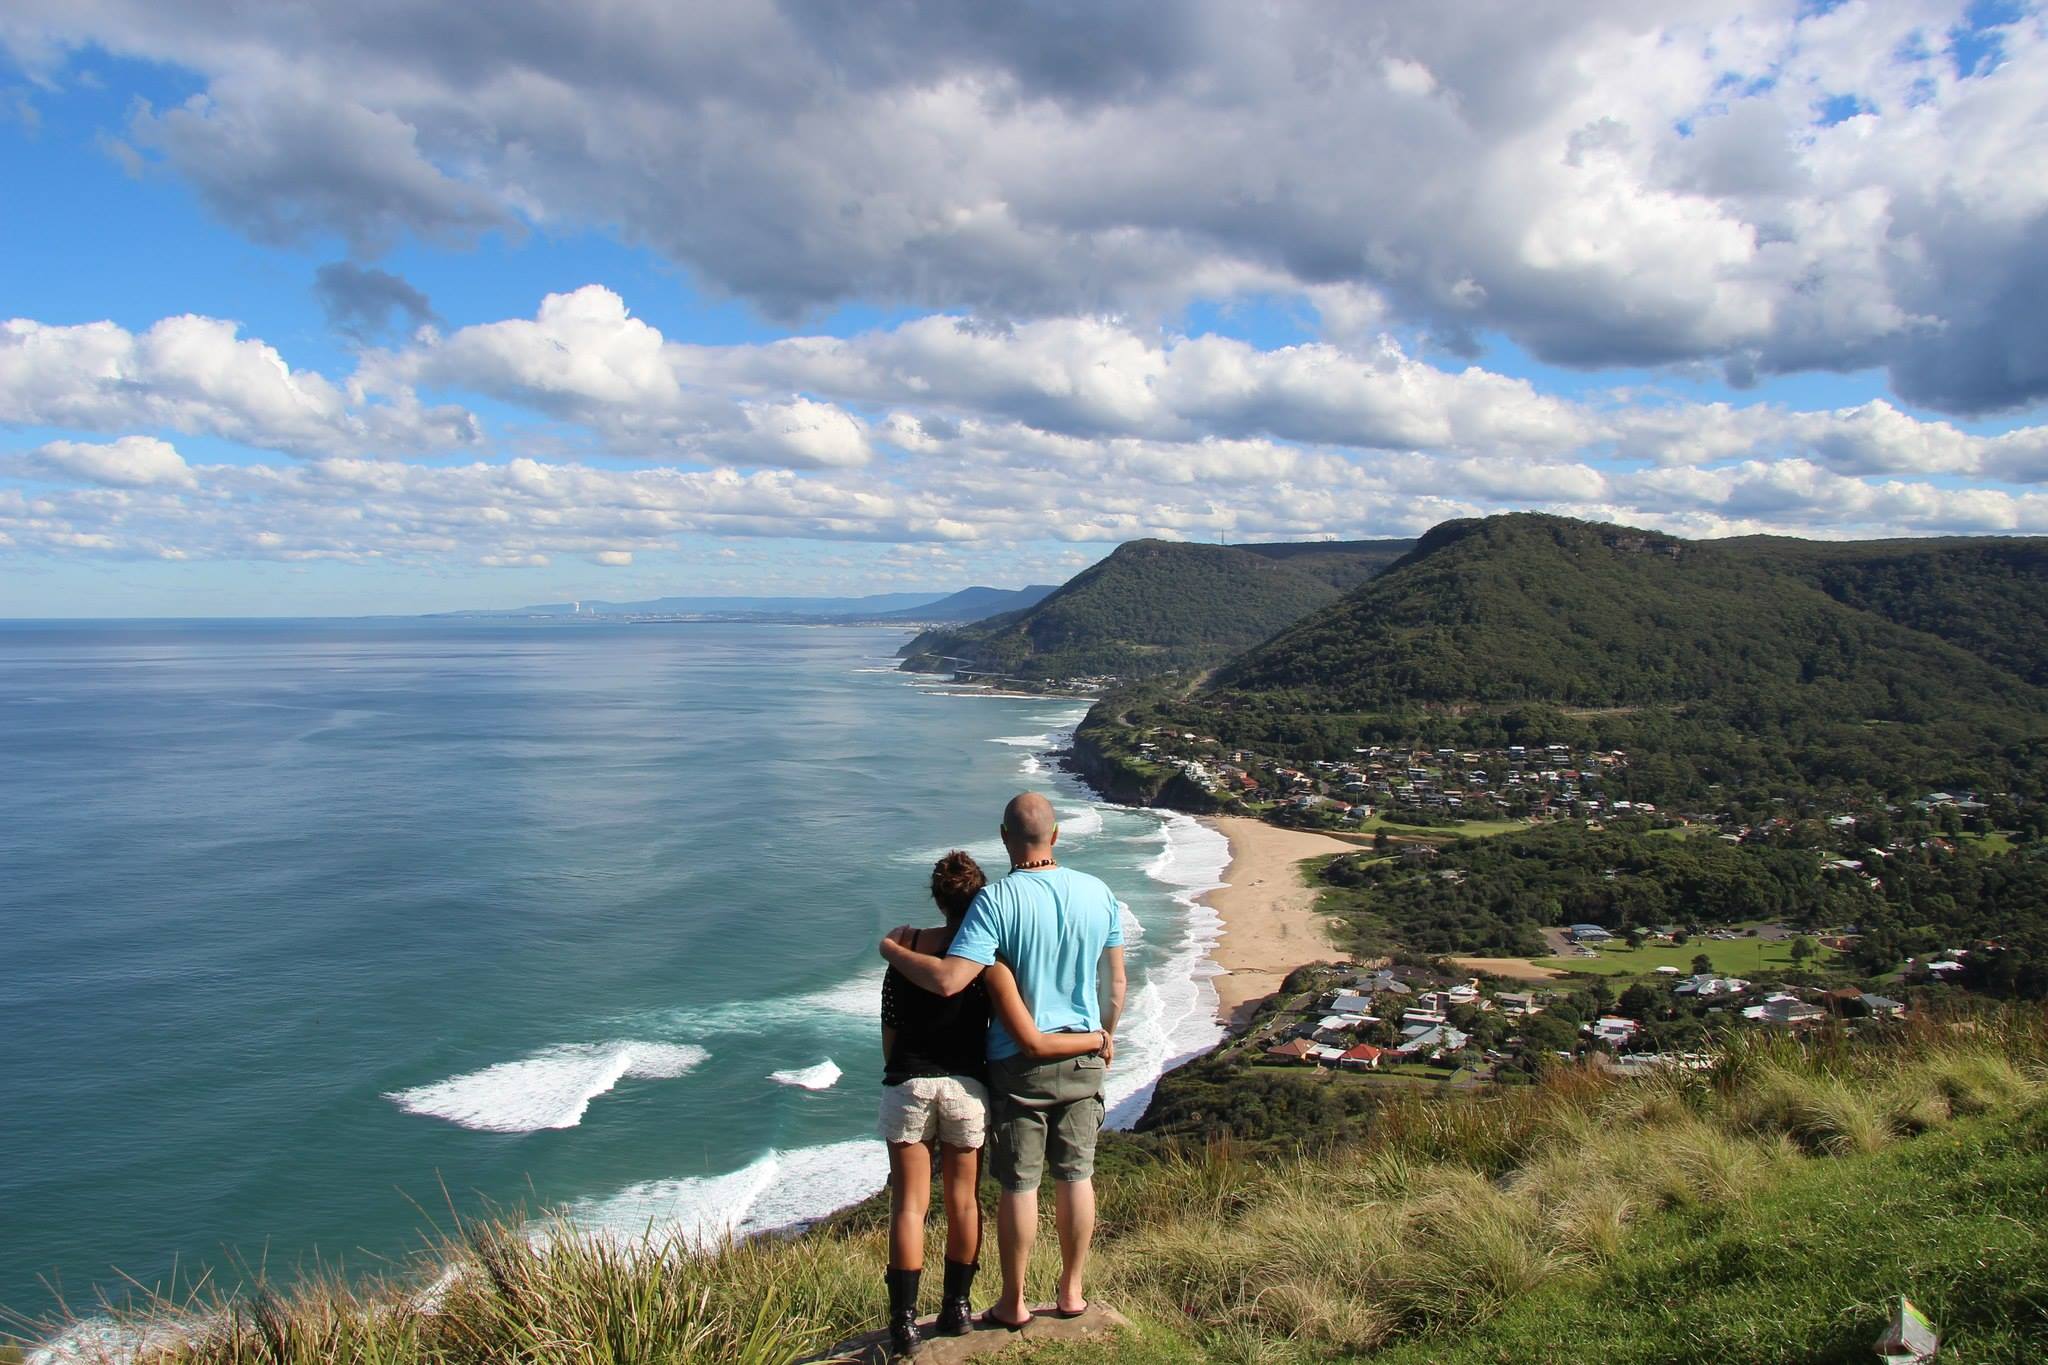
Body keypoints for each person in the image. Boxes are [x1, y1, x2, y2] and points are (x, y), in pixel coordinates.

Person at [881, 793, 1126, 1331]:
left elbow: (951, 979)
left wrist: (893, 951)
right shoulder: (1099, 891)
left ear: (1003, 836)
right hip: (1085, 1052)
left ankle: (1013, 1301)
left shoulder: (995, 901)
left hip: (1019, 1060)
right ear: (1055, 834)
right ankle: (1072, 1293)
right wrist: (1103, 1036)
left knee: (1020, 1183)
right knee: (1077, 1175)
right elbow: (1115, 983)